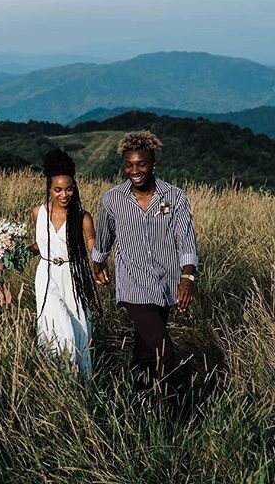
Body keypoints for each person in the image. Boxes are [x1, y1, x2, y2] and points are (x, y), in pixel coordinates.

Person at [91, 131, 198, 387]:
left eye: (141, 164)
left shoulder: (174, 197)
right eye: (129, 165)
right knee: (165, 351)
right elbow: (104, 237)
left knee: (146, 350)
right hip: (134, 286)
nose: (135, 170)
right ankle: (175, 408)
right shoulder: (112, 199)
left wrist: (187, 277)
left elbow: (186, 239)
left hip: (167, 283)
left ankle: (138, 401)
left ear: (153, 164)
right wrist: (98, 263)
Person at [31, 148, 101, 376]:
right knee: (59, 327)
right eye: (58, 189)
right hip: (47, 275)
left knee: (79, 328)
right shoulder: (38, 213)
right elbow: (40, 244)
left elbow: (91, 242)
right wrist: (10, 251)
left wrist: (99, 261)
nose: (64, 194)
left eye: (69, 189)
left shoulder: (82, 216)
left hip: (74, 275)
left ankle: (78, 383)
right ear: (49, 189)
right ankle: (57, 373)